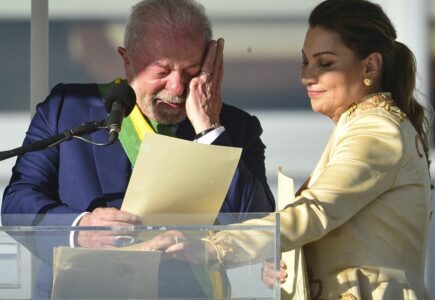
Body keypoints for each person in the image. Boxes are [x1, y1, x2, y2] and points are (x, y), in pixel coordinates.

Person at [142, 0, 434, 299]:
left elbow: (316, 211)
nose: (307, 76)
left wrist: (213, 247)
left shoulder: (376, 129)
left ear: (370, 66)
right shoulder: (364, 125)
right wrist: (291, 260)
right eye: (305, 61)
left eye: (325, 63)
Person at [1, 0, 275, 298]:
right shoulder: (67, 109)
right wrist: (80, 228)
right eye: (162, 71)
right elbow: (18, 202)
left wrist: (209, 129)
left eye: (191, 71)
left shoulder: (235, 128)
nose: (177, 87)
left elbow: (257, 226)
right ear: (127, 60)